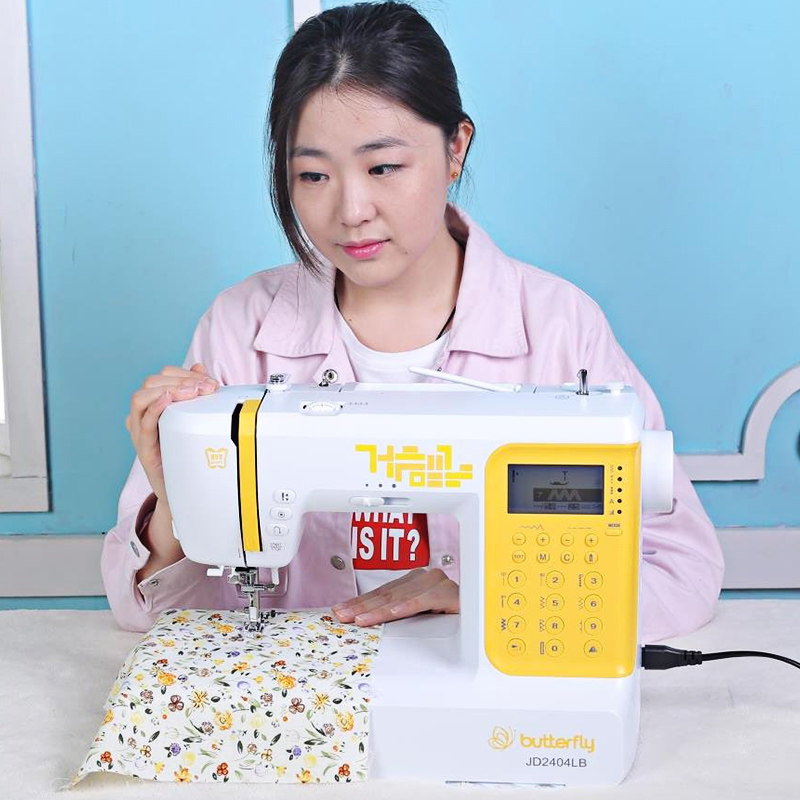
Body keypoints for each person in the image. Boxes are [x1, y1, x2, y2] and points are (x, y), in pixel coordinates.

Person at [102, 1, 723, 641]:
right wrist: (174, 508)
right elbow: (137, 609)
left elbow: (680, 568)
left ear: (456, 148)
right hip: (310, 697)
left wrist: (488, 595)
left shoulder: (559, 327)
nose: (351, 210)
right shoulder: (241, 327)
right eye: (312, 174)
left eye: (383, 168)